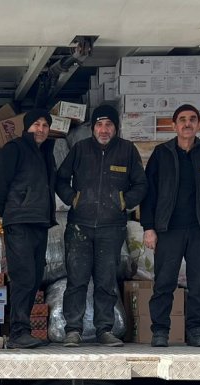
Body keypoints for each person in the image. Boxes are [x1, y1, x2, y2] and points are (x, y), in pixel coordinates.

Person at [55, 104, 147, 347]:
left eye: (109, 124)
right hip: (79, 227)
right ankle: (73, 330)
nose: (104, 129)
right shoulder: (80, 149)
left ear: (116, 128)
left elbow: (141, 184)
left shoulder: (127, 150)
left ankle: (104, 330)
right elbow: (61, 179)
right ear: (93, 127)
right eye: (99, 124)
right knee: (77, 280)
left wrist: (124, 202)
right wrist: (73, 199)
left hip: (112, 228)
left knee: (106, 281)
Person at [141, 104, 200, 348]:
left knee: (198, 283)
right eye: (182, 119)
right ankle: (160, 330)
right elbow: (149, 194)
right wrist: (148, 227)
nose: (187, 123)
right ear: (174, 125)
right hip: (168, 229)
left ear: (199, 125)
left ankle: (196, 330)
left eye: (192, 119)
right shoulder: (162, 153)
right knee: (164, 283)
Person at [0, 109, 57, 349]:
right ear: (26, 128)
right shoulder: (15, 149)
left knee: (36, 276)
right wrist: (10, 214)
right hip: (19, 222)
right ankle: (18, 332)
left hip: (40, 222)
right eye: (36, 124)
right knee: (23, 276)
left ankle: (23, 329)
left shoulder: (47, 152)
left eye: (45, 125)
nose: (41, 129)